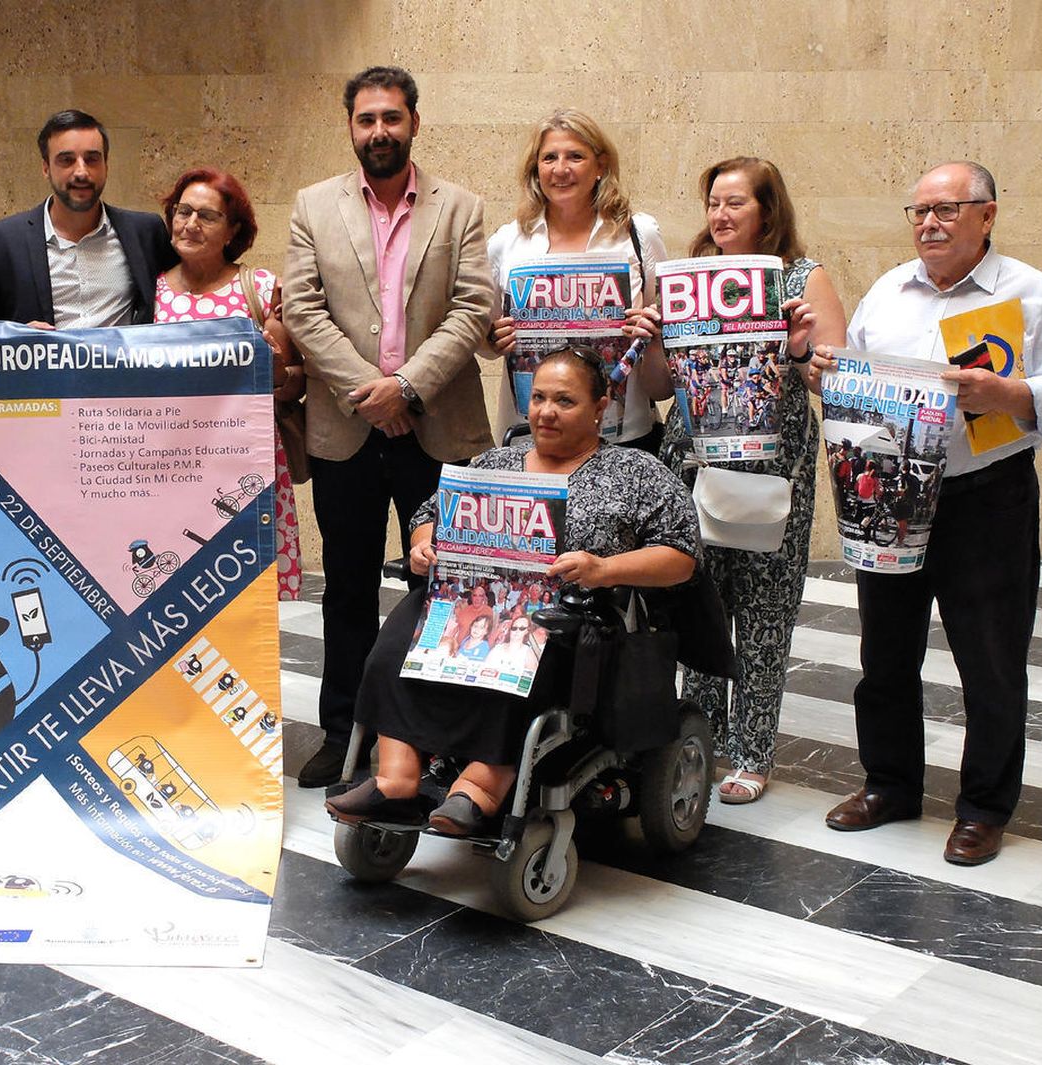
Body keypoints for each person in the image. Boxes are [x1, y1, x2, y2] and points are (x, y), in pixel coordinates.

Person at [822, 161, 1042, 865]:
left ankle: (983, 807)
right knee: (885, 653)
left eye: (946, 210)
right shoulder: (887, 291)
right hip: (894, 493)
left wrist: (1005, 395)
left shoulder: (1030, 294)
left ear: (987, 216)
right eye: (919, 211)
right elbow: (861, 381)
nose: (929, 224)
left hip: (986, 497)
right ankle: (889, 784)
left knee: (991, 661)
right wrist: (832, 374)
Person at [325, 348, 698, 834]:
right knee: (402, 632)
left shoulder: (634, 472)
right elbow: (427, 516)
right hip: (474, 596)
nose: (545, 411)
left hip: (570, 612)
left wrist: (603, 567)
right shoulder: (493, 462)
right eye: (539, 397)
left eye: (565, 401)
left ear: (600, 406)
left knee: (521, 644)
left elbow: (682, 556)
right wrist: (423, 546)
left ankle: (482, 786)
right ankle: (396, 780)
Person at [284, 66, 496, 787]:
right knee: (345, 586)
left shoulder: (460, 207)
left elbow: (473, 308)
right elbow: (302, 311)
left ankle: (439, 735)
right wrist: (368, 392)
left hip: (438, 427)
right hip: (344, 430)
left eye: (392, 117)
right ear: (351, 126)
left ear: (414, 122)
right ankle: (344, 731)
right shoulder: (313, 206)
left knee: (446, 582)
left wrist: (406, 386)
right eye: (366, 118)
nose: (380, 130)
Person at [655, 157, 848, 805]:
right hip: (694, 463)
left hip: (773, 471)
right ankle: (699, 739)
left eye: (736, 201)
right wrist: (652, 334)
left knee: (765, 614)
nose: (721, 214)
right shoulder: (686, 277)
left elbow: (834, 372)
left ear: (769, 210)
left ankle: (754, 751)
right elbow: (663, 379)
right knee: (700, 607)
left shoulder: (801, 275)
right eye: (713, 201)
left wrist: (797, 348)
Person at [149, 167, 304, 600]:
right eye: (183, 212)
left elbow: (293, 383)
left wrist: (273, 368)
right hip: (167, 468)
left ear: (233, 229)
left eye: (207, 216)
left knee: (246, 599)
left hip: (244, 472)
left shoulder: (259, 288)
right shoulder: (150, 292)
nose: (190, 224)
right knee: (173, 592)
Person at [485, 110, 669, 452]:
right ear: (535, 169)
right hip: (533, 436)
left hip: (625, 435)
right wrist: (494, 340)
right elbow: (486, 336)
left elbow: (666, 322)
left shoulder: (638, 233)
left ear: (600, 166)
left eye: (575, 156)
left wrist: (651, 327)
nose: (560, 169)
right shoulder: (506, 243)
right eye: (549, 158)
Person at [0, 109, 175, 327]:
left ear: (106, 165)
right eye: (67, 160)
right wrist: (16, 339)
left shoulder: (146, 232)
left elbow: (185, 293)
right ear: (46, 168)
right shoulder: (0, 242)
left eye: (92, 159)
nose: (81, 172)